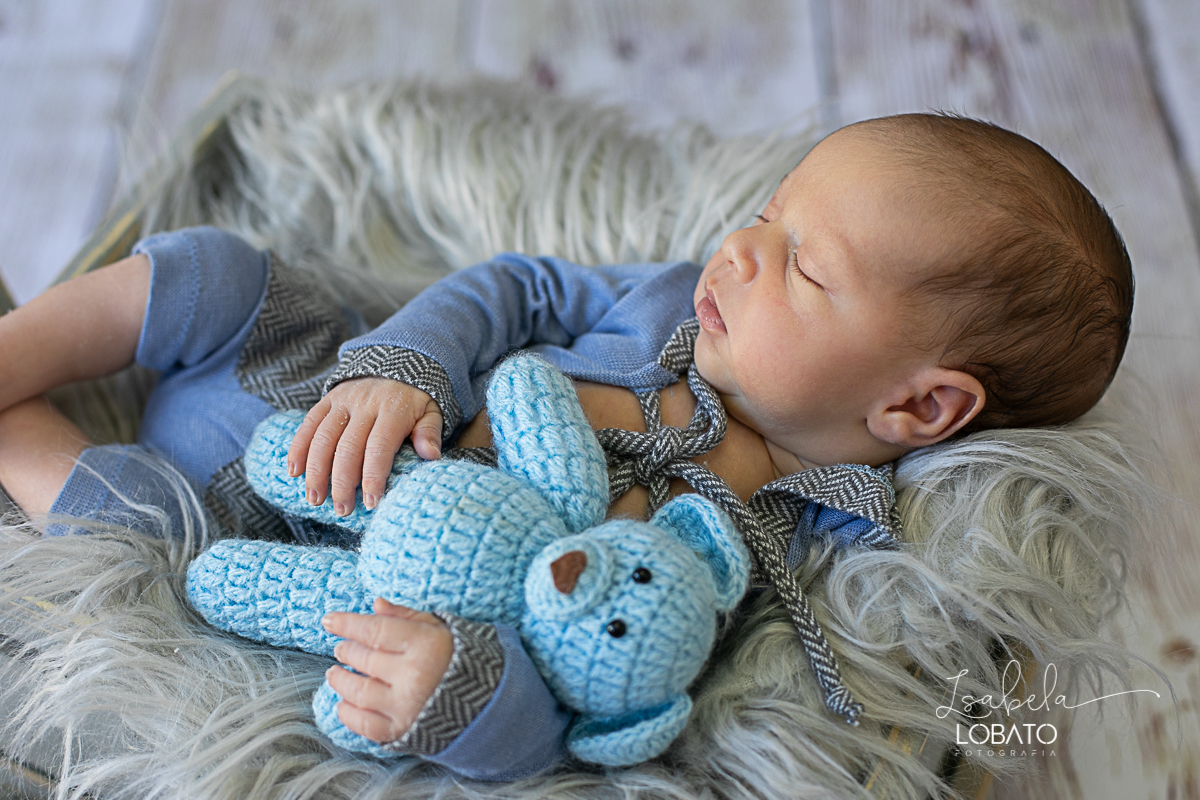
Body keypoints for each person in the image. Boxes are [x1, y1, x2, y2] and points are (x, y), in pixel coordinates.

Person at [0, 113, 1133, 779]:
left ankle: (16, 433)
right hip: (319, 390)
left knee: (137, 537)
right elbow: (517, 286)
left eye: (806, 264)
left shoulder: (757, 544)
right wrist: (403, 370)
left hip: (272, 539)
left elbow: (602, 697)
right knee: (222, 272)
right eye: (771, 211)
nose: (738, 248)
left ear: (920, 412)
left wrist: (462, 694)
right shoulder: (667, 311)